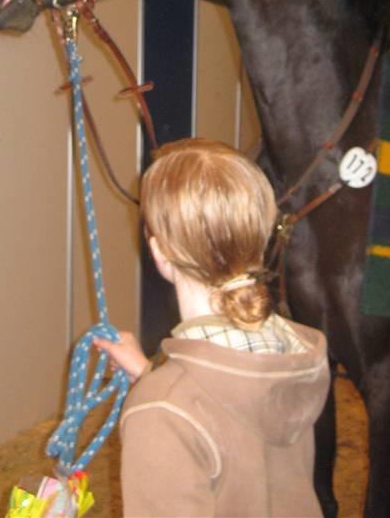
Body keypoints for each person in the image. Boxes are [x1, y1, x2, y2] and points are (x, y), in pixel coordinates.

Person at [94, 138, 330, 518]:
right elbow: (233, 420)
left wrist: (159, 391)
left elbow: (190, 413)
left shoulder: (160, 411)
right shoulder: (291, 355)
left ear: (160, 252)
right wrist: (149, 375)